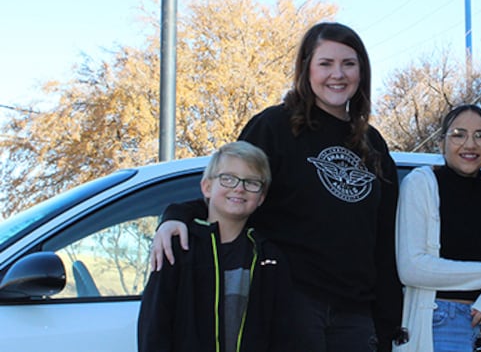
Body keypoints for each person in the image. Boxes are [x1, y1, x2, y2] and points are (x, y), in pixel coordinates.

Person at [149, 22, 401, 352]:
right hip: (289, 304)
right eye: (325, 63)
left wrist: (388, 320)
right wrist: (177, 215)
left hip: (355, 315)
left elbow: (385, 238)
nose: (337, 74)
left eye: (348, 64)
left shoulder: (373, 144)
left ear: (361, 71)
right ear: (307, 69)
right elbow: (234, 190)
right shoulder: (274, 127)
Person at [138, 141, 293, 352]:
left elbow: (282, 332)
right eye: (228, 179)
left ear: (261, 198)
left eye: (251, 182)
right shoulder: (178, 247)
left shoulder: (269, 257)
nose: (239, 188)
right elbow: (155, 325)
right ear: (207, 187)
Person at [394, 104, 481, 352]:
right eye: (458, 134)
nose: (470, 144)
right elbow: (412, 266)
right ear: (442, 142)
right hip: (440, 321)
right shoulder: (421, 183)